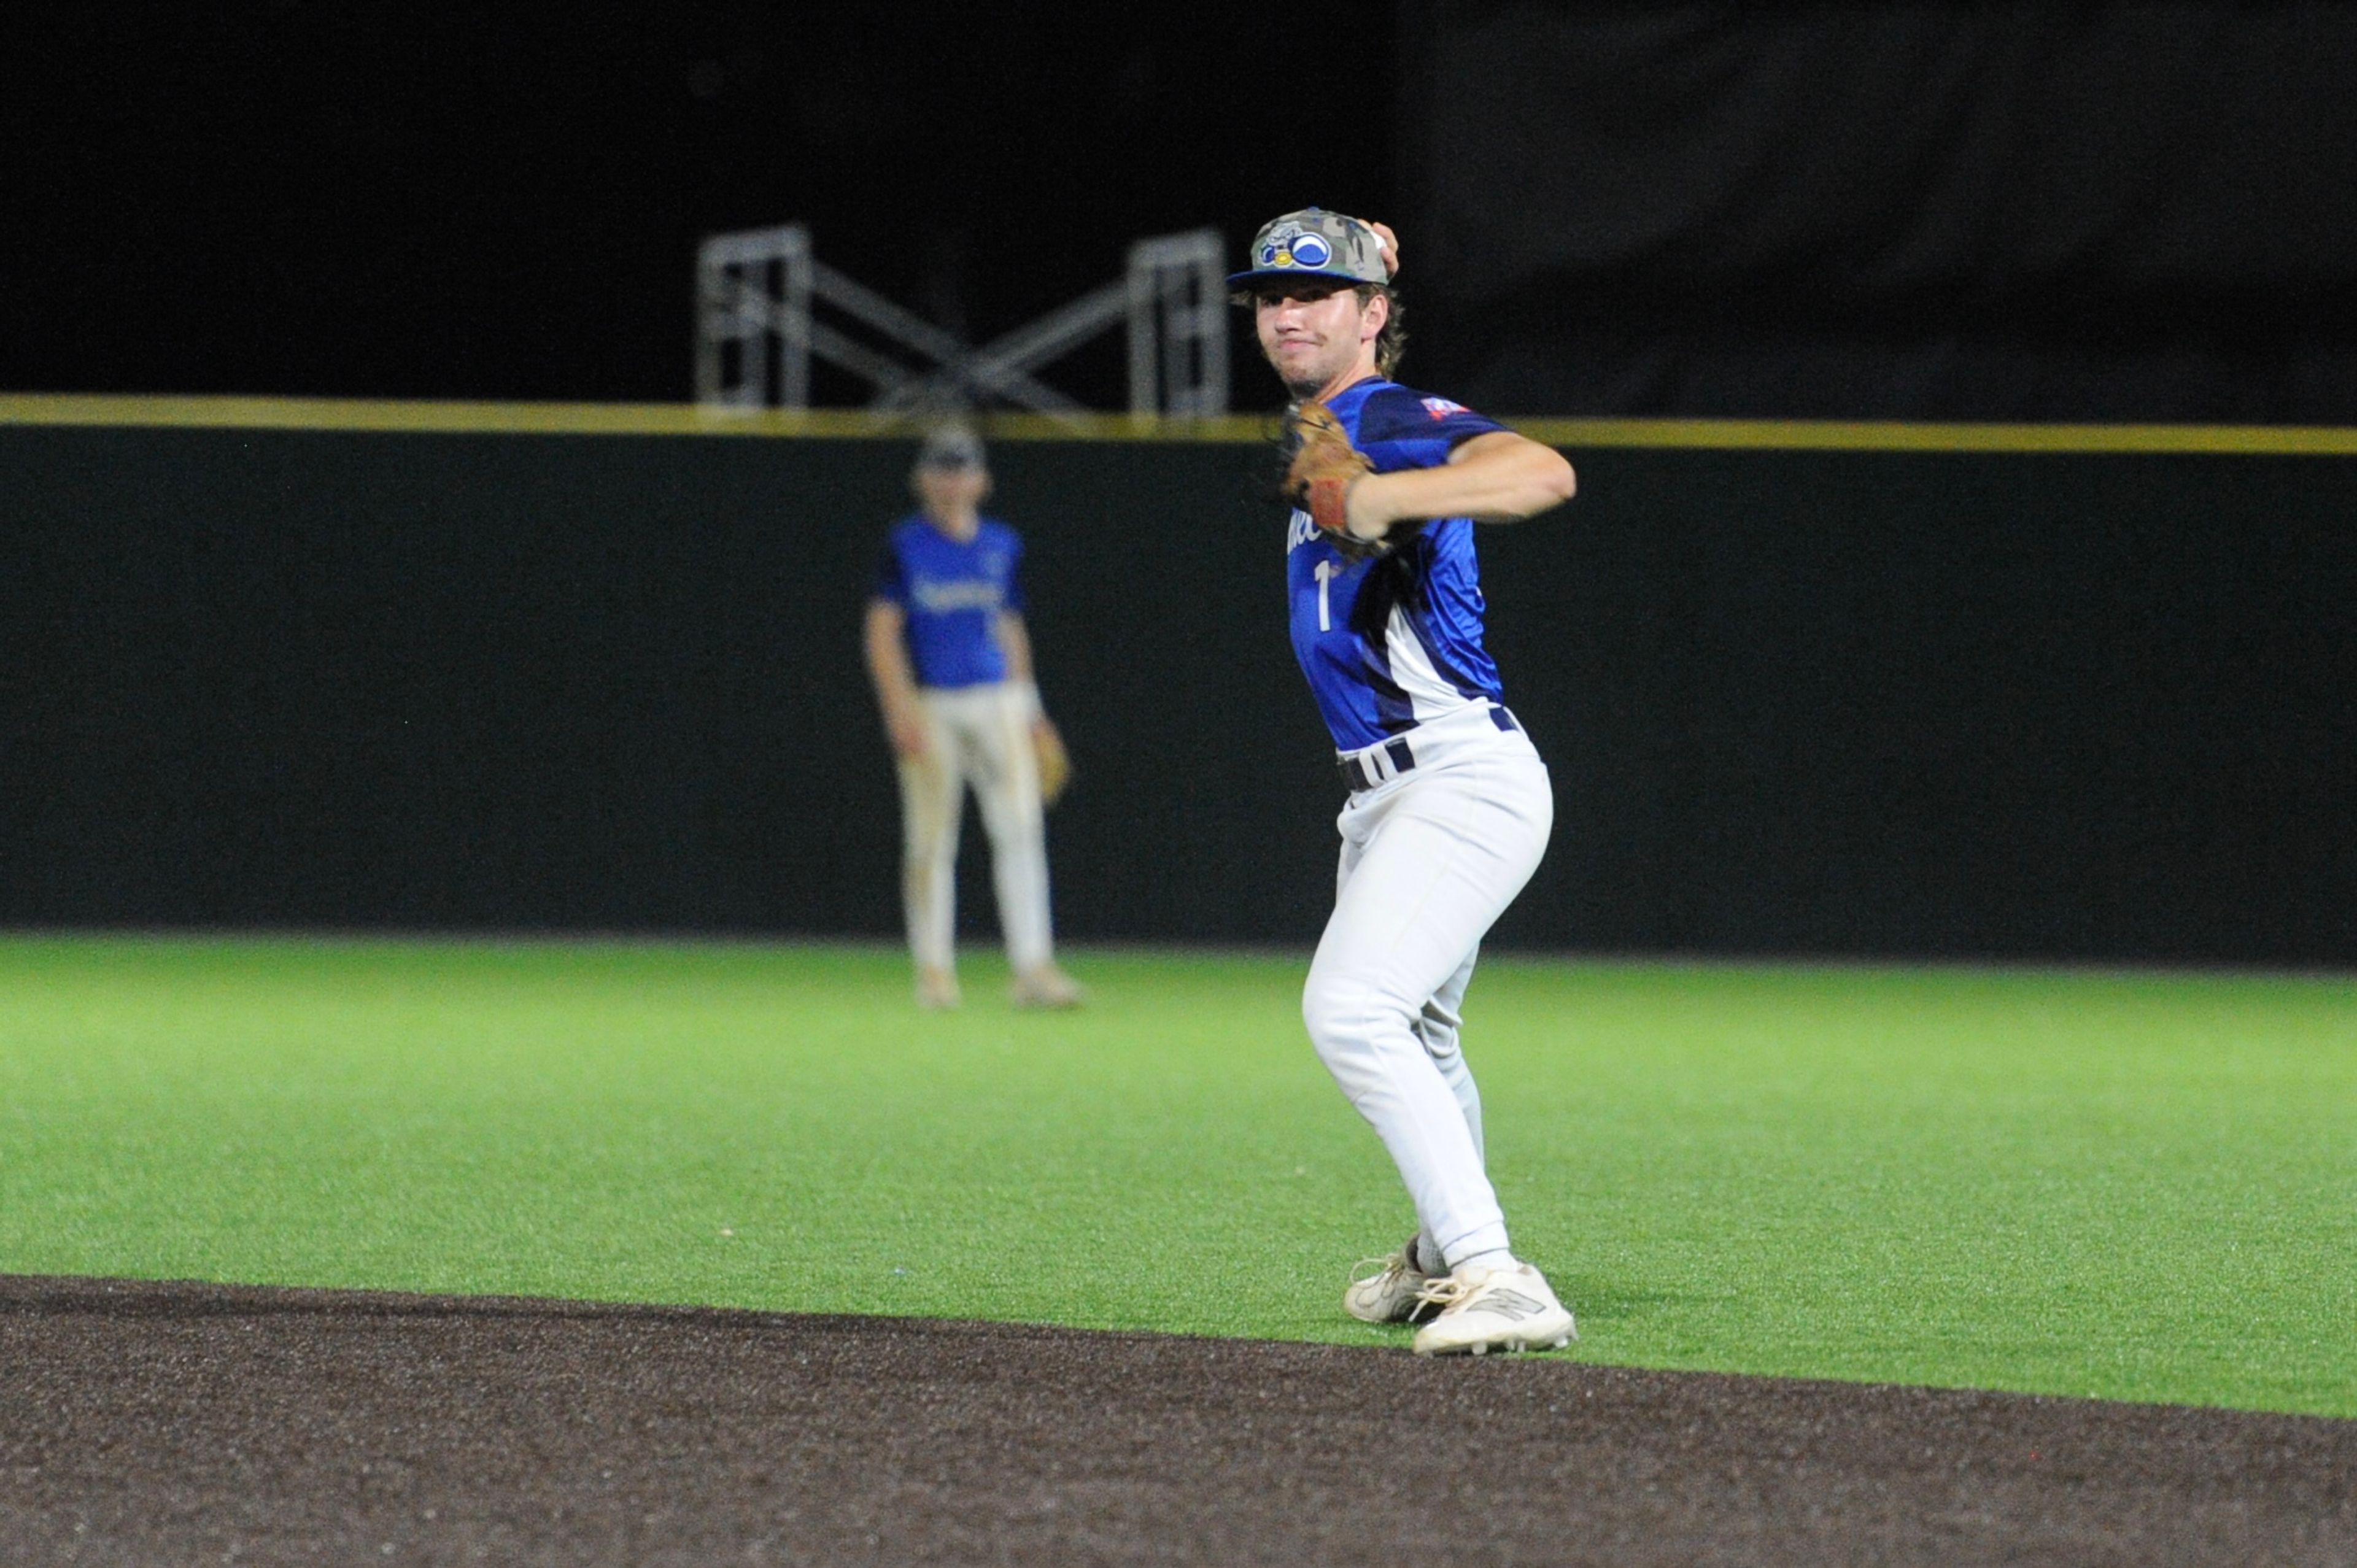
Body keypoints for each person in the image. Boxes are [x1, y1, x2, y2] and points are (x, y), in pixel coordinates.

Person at [1231, 209, 1579, 1355]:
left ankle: (1496, 1274)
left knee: (1351, 1009)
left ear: (1374, 318)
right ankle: (1441, 1257)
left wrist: (1382, 500)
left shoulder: (1380, 415)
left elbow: (1538, 474)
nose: (1288, 309)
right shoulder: (1317, 430)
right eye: (1274, 293)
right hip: (1386, 795)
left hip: (1460, 777)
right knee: (1421, 1033)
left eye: (1319, 292)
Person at [864, 423, 1083, 1011]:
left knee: (1020, 831)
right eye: (942, 469)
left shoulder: (1000, 545)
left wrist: (1033, 711)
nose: (951, 481)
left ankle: (1033, 968)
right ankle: (935, 974)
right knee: (931, 840)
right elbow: (883, 631)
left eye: (961, 469)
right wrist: (898, 707)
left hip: (999, 701)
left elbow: (1011, 628)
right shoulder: (906, 545)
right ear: (922, 479)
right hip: (933, 702)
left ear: (981, 480)